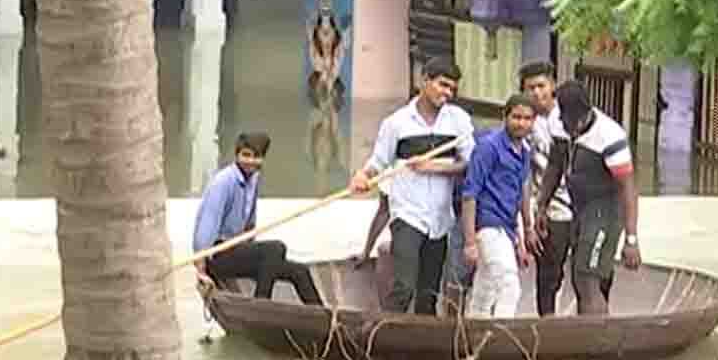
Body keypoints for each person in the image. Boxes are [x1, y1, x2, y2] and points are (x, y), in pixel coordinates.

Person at [348, 57, 475, 316]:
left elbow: (470, 163)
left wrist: (435, 168)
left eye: (451, 88)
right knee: (404, 286)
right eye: (442, 85)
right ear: (424, 80)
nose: (446, 93)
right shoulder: (397, 123)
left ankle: (420, 348)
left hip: (441, 219)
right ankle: (382, 334)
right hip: (407, 214)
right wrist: (362, 176)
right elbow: (379, 162)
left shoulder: (458, 120)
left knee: (428, 295)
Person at [535, 81, 641, 318]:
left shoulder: (610, 137)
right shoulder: (558, 123)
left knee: (586, 277)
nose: (572, 130)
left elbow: (628, 189)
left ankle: (596, 341)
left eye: (577, 124)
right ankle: (589, 333)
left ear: (588, 114)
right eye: (567, 124)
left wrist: (631, 239)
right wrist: (541, 205)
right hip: (579, 208)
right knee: (579, 276)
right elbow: (555, 164)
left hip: (606, 211)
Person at [192, 132, 323, 305]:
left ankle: (327, 320)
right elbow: (206, 226)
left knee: (299, 271)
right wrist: (201, 269)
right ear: (237, 155)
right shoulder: (224, 182)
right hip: (217, 256)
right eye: (246, 155)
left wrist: (254, 254)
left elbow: (249, 226)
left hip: (236, 251)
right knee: (276, 248)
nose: (250, 161)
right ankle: (261, 303)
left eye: (257, 157)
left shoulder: (253, 179)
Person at [459, 94, 536, 319]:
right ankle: (502, 341)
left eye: (527, 118)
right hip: (488, 225)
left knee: (485, 290)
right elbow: (470, 194)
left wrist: (522, 238)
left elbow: (521, 192)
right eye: (516, 117)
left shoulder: (524, 152)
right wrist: (470, 242)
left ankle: (472, 341)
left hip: (506, 228)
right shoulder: (489, 147)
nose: (521, 123)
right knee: (508, 285)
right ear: (505, 116)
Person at [519, 61, 574, 317]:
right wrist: (529, 218)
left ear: (552, 86)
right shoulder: (524, 123)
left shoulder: (569, 117)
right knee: (548, 274)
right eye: (530, 88)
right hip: (549, 209)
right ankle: (548, 324)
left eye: (541, 86)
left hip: (577, 204)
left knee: (582, 273)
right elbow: (523, 173)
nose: (536, 93)